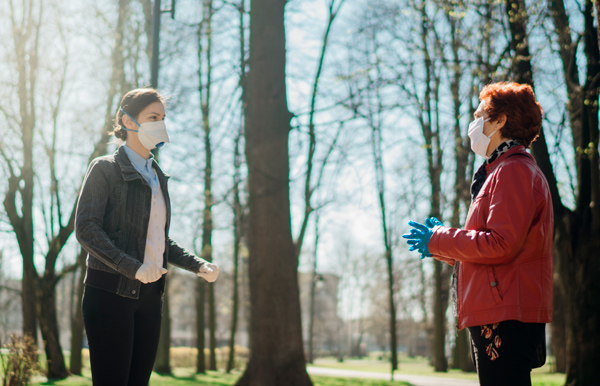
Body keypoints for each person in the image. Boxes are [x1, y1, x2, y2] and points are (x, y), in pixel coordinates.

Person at [403, 82, 553, 386]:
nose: (473, 125)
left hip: (506, 316)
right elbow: (492, 251)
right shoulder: (500, 171)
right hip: (501, 312)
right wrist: (438, 246)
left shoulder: (513, 170)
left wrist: (440, 237)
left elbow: (500, 244)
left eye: (478, 115)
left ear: (499, 120)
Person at [75, 88, 219, 386]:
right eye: (153, 117)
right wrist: (133, 267)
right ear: (128, 121)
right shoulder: (105, 169)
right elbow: (87, 228)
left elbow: (157, 241)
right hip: (109, 294)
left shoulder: (157, 176)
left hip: (151, 297)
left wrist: (198, 265)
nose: (160, 123)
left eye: (163, 118)